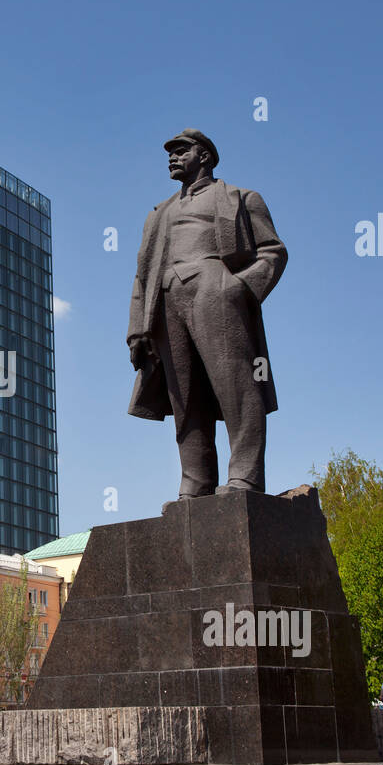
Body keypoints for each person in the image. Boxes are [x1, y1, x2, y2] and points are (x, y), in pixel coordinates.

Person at [127, 129, 288, 498]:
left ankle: (245, 477)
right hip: (166, 299)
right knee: (183, 394)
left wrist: (239, 287)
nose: (172, 157)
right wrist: (137, 329)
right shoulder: (159, 214)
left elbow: (273, 252)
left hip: (215, 287)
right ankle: (196, 482)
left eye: (181, 151)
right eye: (170, 152)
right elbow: (142, 273)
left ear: (206, 156)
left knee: (235, 384)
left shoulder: (241, 198)